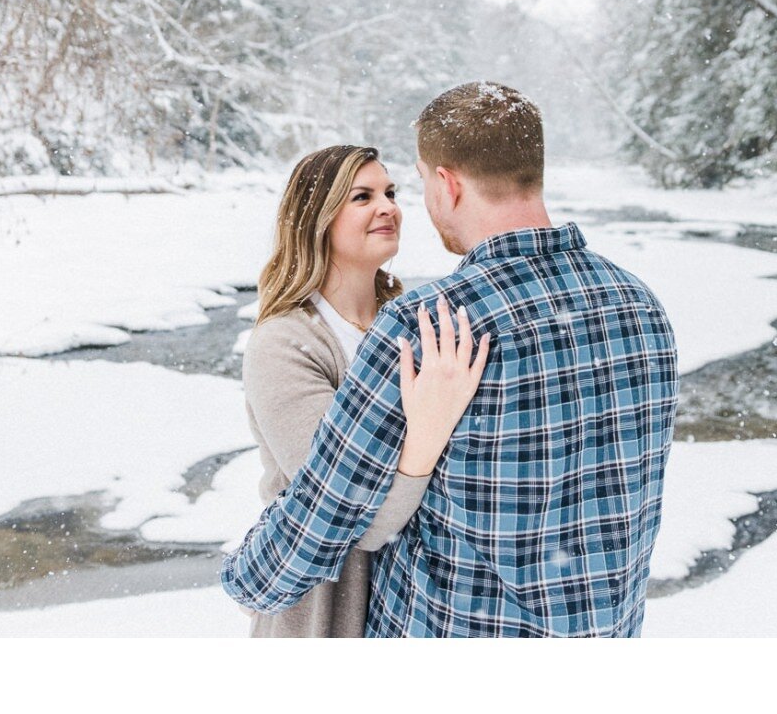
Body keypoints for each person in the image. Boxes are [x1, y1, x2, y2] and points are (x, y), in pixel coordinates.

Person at [221, 82, 679, 637]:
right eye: (363, 197)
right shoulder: (640, 306)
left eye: (403, 187)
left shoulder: (433, 326)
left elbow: (327, 511)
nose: (392, 207)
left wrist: (244, 579)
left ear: (446, 183)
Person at [236, 143, 491, 638]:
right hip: (328, 606)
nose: (388, 207)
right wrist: (426, 436)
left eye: (391, 192)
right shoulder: (287, 343)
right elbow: (350, 516)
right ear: (317, 218)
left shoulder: (414, 320)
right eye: (362, 196)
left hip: (420, 600)